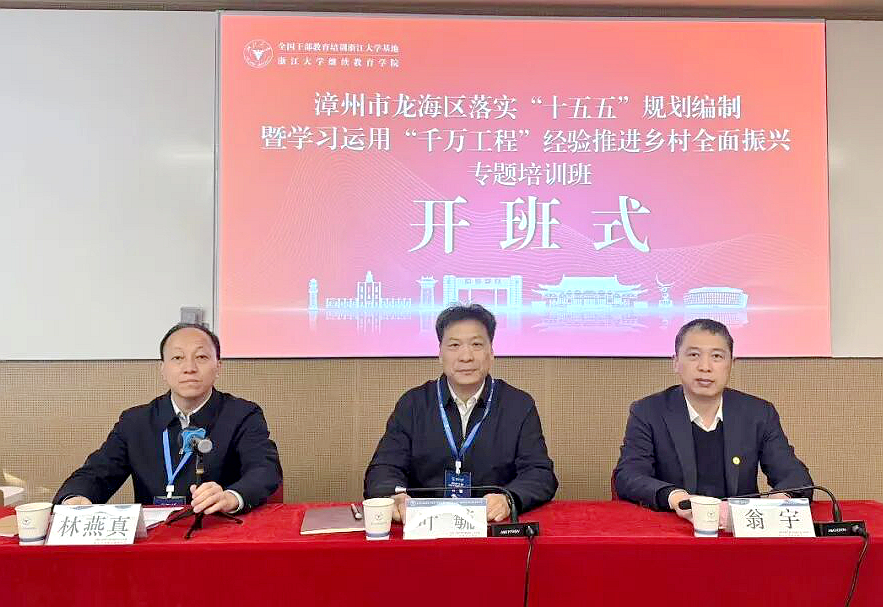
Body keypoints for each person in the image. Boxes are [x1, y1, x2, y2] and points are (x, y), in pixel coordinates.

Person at [54, 323, 282, 515]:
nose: (189, 368)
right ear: (163, 369)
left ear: (218, 366)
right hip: (154, 539)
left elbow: (265, 469)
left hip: (218, 531)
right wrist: (75, 497)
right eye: (178, 358)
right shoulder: (135, 422)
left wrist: (231, 497)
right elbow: (97, 472)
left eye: (201, 357)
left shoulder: (243, 415)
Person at [364, 304, 557, 523]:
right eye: (454, 345)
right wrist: (395, 496)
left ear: (491, 353)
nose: (466, 357)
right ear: (440, 354)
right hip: (424, 527)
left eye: (476, 344)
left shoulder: (518, 405)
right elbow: (384, 468)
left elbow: (539, 473)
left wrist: (508, 499)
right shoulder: (413, 404)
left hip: (491, 526)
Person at [613, 318, 813, 518]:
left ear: (731, 363)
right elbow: (628, 475)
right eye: (694, 355)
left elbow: (795, 476)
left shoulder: (758, 413)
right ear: (675, 362)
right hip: (672, 525)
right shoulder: (648, 411)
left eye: (717, 356)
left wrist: (778, 502)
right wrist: (675, 498)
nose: (705, 367)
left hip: (737, 528)